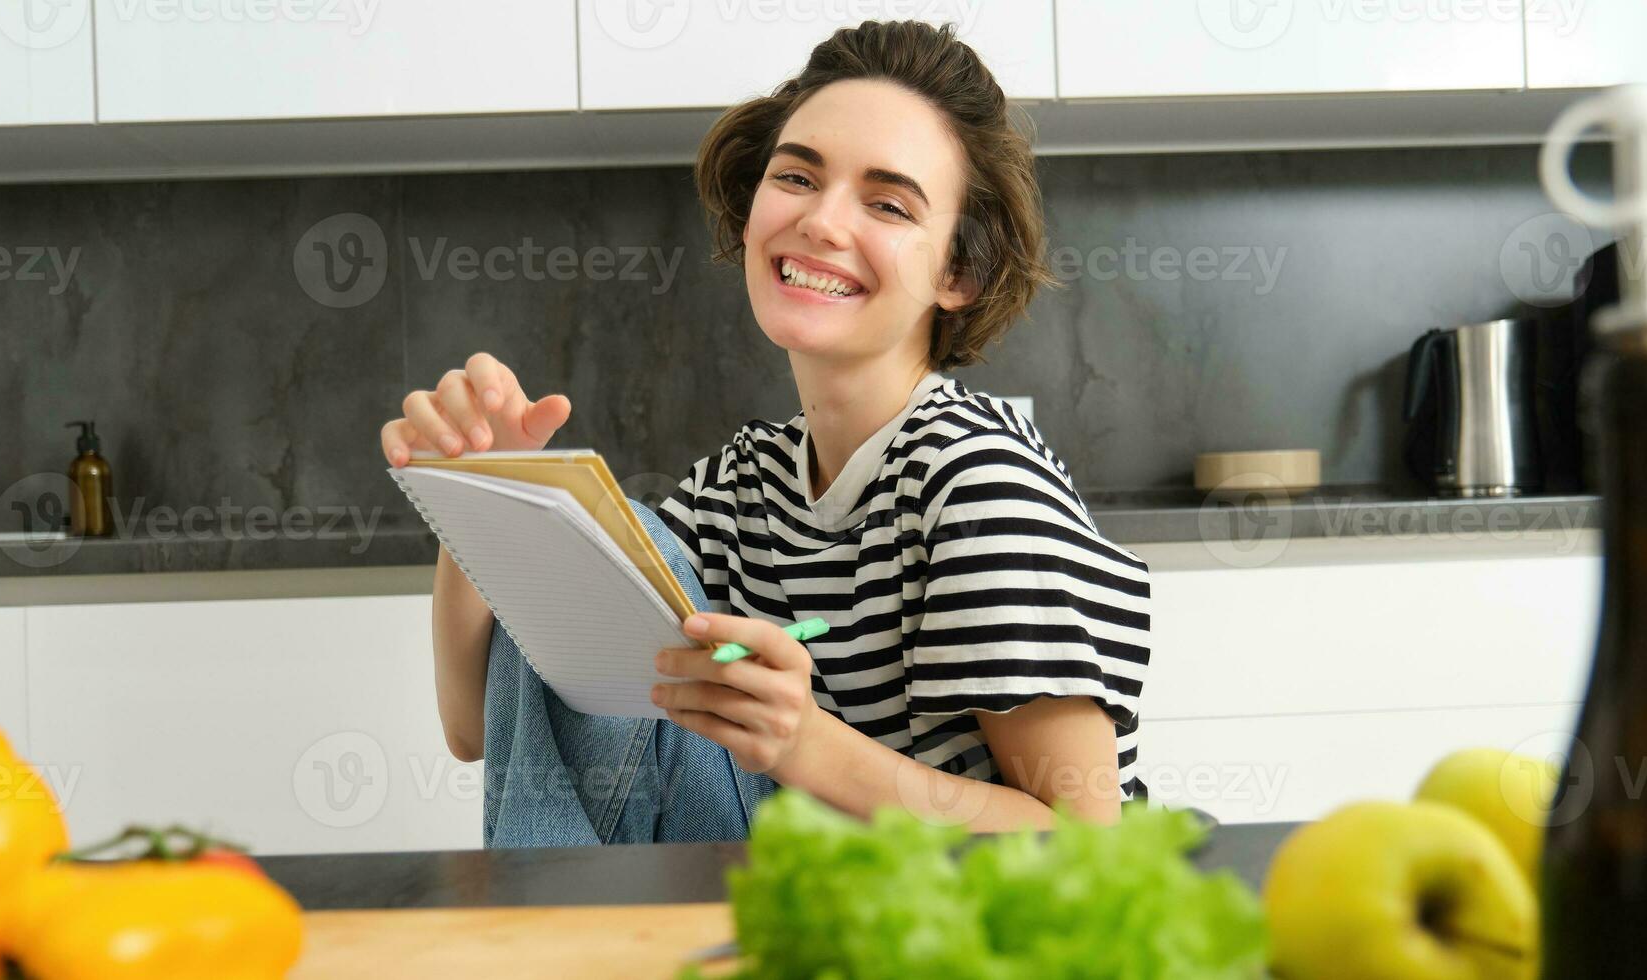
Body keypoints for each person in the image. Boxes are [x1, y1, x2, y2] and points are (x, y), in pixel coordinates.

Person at [380, 21, 1150, 839]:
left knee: (626, 544)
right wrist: (487, 492)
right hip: (789, 902)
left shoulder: (980, 488)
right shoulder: (739, 486)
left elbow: (1088, 839)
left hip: (962, 932)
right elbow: (479, 731)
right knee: (598, 547)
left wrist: (802, 744)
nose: (822, 221)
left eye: (887, 203)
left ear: (958, 271)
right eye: (797, 177)